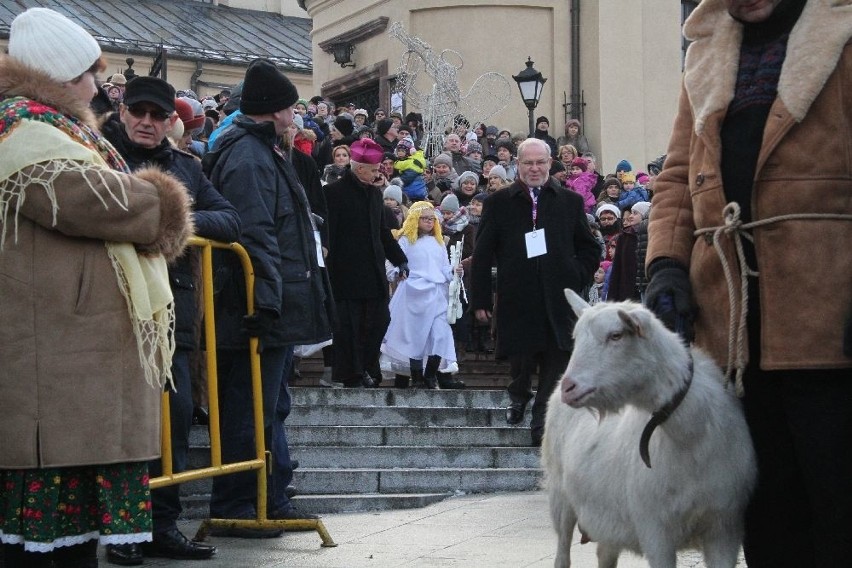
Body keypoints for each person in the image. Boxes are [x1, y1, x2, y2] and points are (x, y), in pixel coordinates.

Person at [645, 1, 852, 566]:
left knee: (839, 501)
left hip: (828, 323)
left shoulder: (844, 33)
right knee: (764, 512)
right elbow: (676, 178)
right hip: (733, 332)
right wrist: (666, 264)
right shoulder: (706, 53)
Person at [0, 8, 193, 567]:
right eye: (92, 73)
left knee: (69, 538)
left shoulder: (49, 126)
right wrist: (164, 202)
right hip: (55, 348)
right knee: (45, 542)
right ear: (63, 75)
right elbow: (96, 202)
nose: (100, 86)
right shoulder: (24, 128)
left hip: (68, 347)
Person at [99, 76, 240, 564]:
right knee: (119, 421)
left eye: (157, 115)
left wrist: (173, 222)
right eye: (138, 111)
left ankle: (161, 524)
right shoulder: (99, 154)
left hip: (172, 315)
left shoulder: (187, 167)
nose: (146, 122)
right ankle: (120, 531)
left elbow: (230, 219)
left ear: (170, 121)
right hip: (108, 308)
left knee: (174, 419)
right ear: (123, 112)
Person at [201, 58, 333, 536]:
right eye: (290, 105)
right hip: (256, 307)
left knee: (267, 404)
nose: (296, 112)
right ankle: (243, 503)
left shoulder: (263, 151)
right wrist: (267, 300)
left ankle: (269, 495)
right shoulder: (249, 156)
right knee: (249, 406)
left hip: (267, 301)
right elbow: (255, 234)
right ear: (274, 110)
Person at [470, 138, 600, 447]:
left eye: (540, 162)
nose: (534, 168)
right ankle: (518, 393)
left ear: (550, 163)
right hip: (518, 295)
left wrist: (576, 273)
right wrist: (480, 300)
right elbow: (483, 253)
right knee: (521, 357)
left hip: (557, 297)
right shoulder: (499, 202)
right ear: (518, 165)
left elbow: (589, 246)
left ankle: (542, 419)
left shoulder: (569, 201)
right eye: (528, 163)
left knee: (556, 358)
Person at [324, 138, 409, 388]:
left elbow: (382, 233)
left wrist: (400, 259)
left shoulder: (374, 195)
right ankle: (353, 374)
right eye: (373, 170)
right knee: (349, 328)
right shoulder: (333, 193)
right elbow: (330, 234)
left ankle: (368, 368)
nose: (378, 173)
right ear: (359, 168)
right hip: (345, 275)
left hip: (373, 273)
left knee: (380, 321)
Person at [380, 202, 464, 389]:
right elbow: (393, 263)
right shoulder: (405, 240)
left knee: (440, 334)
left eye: (432, 219)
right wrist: (397, 273)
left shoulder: (438, 242)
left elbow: (443, 267)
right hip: (412, 294)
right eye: (425, 218)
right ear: (415, 220)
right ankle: (417, 376)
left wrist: (453, 271)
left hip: (435, 293)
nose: (429, 222)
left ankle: (430, 374)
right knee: (413, 336)